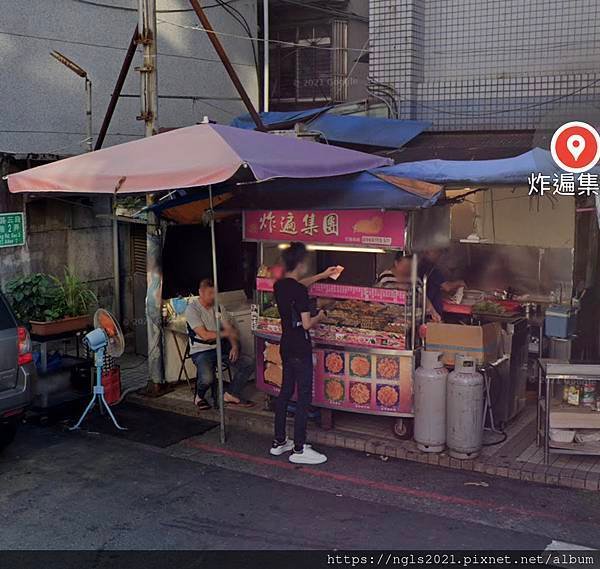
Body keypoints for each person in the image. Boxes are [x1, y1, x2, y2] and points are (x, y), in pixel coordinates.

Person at [270, 243, 337, 465]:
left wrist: (322, 275)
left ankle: (279, 442)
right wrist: (322, 315)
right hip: (300, 346)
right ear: (300, 263)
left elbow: (298, 287)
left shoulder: (280, 286)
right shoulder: (298, 290)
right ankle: (299, 448)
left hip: (286, 345)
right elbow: (307, 324)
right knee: (304, 396)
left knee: (285, 392)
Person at [185, 278, 254, 410]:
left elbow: (229, 328)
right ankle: (199, 396)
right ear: (201, 292)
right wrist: (225, 334)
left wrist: (234, 345)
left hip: (220, 348)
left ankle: (231, 393)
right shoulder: (192, 309)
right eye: (209, 293)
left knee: (248, 362)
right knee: (207, 378)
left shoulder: (218, 307)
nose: (212, 297)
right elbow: (204, 335)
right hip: (201, 350)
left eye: (214, 293)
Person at [375, 251, 441, 322]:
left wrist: (433, 312)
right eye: (405, 267)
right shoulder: (385, 278)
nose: (407, 271)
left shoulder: (415, 280)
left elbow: (422, 298)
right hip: (390, 322)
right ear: (396, 263)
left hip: (412, 322)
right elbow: (375, 301)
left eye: (410, 268)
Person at [419, 249, 466, 318]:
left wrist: (444, 297)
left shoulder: (421, 266)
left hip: (426, 309)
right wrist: (459, 282)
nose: (439, 255)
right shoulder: (433, 270)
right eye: (437, 252)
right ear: (427, 252)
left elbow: (432, 288)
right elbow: (447, 287)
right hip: (432, 312)